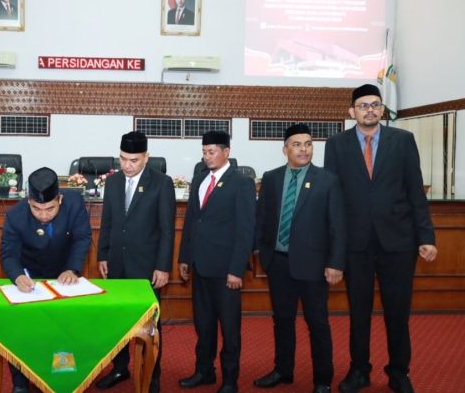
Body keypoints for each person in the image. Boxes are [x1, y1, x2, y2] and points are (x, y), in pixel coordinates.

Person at [324, 84, 437, 393]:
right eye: (363, 105)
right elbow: (333, 200)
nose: (370, 109)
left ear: (382, 109)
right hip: (355, 244)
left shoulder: (403, 141)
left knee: (397, 312)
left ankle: (399, 371)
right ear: (352, 112)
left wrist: (425, 235)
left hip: (398, 243)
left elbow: (416, 191)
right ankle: (359, 370)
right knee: (358, 312)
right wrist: (333, 248)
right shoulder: (336, 145)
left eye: (375, 104)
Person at [253, 123, 346, 393]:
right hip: (279, 263)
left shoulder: (327, 180)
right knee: (282, 320)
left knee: (317, 323)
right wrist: (261, 251)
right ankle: (283, 370)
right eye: (297, 144)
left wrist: (336, 263)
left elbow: (337, 225)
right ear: (285, 149)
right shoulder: (270, 178)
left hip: (314, 267)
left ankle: (323, 380)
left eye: (308, 144)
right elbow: (262, 218)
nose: (303, 149)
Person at [96, 130, 176, 392]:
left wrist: (163, 266)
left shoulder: (161, 183)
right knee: (117, 321)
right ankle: (120, 369)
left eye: (134, 160)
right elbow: (107, 222)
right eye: (123, 159)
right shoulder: (114, 181)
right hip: (116, 264)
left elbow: (167, 229)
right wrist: (103, 255)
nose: (127, 166)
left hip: (147, 267)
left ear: (146, 157)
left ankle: (153, 375)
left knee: (150, 324)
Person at [0, 167, 92, 393]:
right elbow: (8, 254)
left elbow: (82, 238)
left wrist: (72, 268)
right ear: (28, 201)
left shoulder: (74, 204)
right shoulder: (15, 215)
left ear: (60, 199)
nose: (43, 214)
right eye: (36, 209)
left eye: (50, 208)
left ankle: (62, 377)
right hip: (30, 277)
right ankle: (20, 382)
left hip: (64, 275)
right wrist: (18, 275)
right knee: (23, 330)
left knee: (64, 328)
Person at [178, 130, 256, 393]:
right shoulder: (199, 178)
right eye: (204, 151)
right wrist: (184, 258)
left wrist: (236, 270)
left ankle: (230, 380)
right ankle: (204, 371)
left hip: (226, 271)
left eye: (212, 151)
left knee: (230, 328)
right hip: (200, 266)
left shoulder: (241, 182)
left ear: (226, 152)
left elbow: (246, 230)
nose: (207, 156)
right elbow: (191, 222)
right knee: (204, 324)